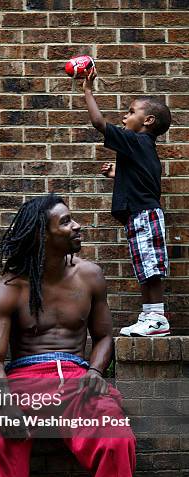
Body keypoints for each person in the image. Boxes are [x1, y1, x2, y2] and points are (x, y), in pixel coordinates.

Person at [0, 194, 140, 477]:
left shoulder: (90, 276)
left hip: (77, 377)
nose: (77, 226)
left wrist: (96, 371)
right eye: (66, 222)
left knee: (114, 434)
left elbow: (103, 337)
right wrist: (7, 405)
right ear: (42, 234)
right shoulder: (10, 287)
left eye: (74, 220)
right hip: (24, 378)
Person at [83, 67, 171, 337]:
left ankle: (157, 318)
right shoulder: (142, 148)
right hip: (140, 215)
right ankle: (150, 315)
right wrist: (117, 174)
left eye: (132, 112)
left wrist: (87, 91)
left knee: (150, 268)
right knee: (145, 267)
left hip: (144, 215)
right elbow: (144, 179)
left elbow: (99, 124)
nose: (125, 116)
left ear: (148, 120)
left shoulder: (137, 141)